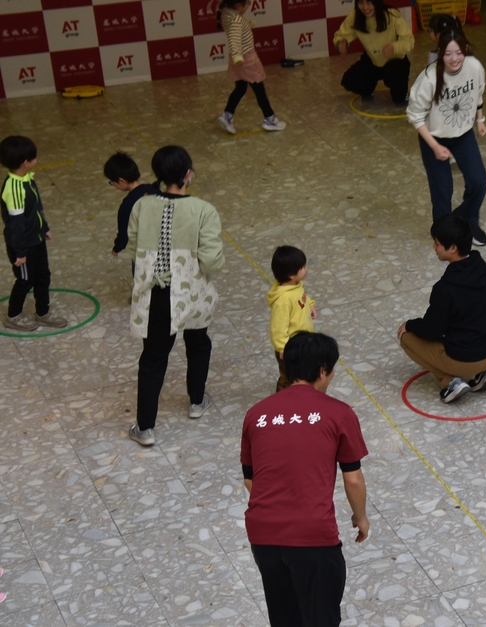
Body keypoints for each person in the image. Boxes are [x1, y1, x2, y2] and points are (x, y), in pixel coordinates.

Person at [240, 332, 369, 627]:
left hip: (263, 534)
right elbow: (353, 479)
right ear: (322, 370)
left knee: (285, 617)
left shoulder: (256, 414)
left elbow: (250, 479)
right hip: (313, 537)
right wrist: (360, 517)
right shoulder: (339, 413)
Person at [126, 146, 225, 447]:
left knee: (154, 357)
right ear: (187, 175)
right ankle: (196, 401)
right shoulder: (203, 210)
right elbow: (211, 261)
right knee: (197, 342)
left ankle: (145, 427)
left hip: (155, 294)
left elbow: (132, 247)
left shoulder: (142, 206)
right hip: (191, 292)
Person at [397, 215, 486, 403]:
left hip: (464, 360)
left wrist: (410, 325)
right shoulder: (485, 270)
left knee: (406, 337)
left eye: (437, 243)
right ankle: (484, 372)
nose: (434, 247)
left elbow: (432, 330)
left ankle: (451, 381)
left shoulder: (445, 288)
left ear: (452, 248)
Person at [407, 30, 486, 246]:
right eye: (448, 54)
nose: (454, 59)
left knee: (478, 181)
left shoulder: (474, 67)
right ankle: (443, 233)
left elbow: (478, 93)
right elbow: (414, 116)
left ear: (466, 50)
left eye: (459, 52)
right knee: (442, 190)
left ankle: (467, 220)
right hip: (433, 137)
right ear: (440, 54)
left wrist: (480, 120)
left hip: (463, 134)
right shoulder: (428, 78)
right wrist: (434, 146)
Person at [1, 135, 68, 332]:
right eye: (33, 157)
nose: (36, 159)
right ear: (25, 162)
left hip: (36, 239)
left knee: (42, 276)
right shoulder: (14, 188)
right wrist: (20, 252)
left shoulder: (27, 179)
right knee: (24, 280)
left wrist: (44, 228)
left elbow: (35, 210)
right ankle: (13, 316)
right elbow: (16, 224)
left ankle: (42, 312)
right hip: (22, 245)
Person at [216, 0, 287, 134]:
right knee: (259, 90)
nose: (249, 6)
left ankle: (227, 115)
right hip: (246, 60)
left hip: (238, 61)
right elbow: (234, 39)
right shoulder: (236, 20)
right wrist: (238, 55)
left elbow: (235, 30)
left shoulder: (227, 14)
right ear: (238, 5)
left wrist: (246, 23)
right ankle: (270, 118)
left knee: (241, 88)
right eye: (247, 3)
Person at [334, 0, 414, 105]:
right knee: (349, 80)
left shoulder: (392, 15)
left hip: (395, 60)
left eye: (369, 3)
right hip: (372, 60)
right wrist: (341, 43)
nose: (365, 8)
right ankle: (368, 88)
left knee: (398, 95)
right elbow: (341, 35)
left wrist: (394, 47)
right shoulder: (355, 16)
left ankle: (402, 94)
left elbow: (409, 40)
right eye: (361, 3)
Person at [268, 245, 317, 392]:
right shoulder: (283, 299)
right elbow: (277, 327)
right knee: (288, 377)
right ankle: (282, 401)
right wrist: (283, 347)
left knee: (302, 374)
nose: (306, 269)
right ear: (291, 274)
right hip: (289, 348)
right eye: (302, 267)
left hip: (302, 343)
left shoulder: (296, 285)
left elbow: (303, 297)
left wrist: (310, 305)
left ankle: (301, 395)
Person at [104, 151, 159, 279]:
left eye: (112, 182)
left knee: (141, 276)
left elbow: (124, 233)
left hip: (143, 248)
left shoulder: (127, 205)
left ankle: (142, 298)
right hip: (164, 243)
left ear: (121, 180)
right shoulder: (154, 189)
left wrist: (117, 247)